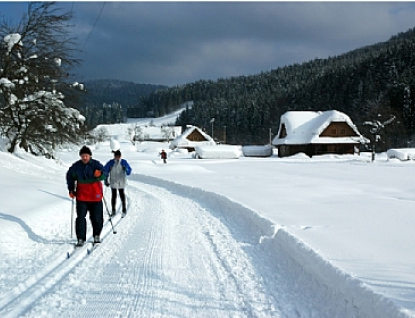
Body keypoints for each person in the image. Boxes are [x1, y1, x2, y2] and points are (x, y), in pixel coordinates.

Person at [66, 146, 106, 247]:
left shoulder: (96, 164)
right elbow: (69, 176)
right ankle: (80, 238)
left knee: (97, 217)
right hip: (82, 197)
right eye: (82, 156)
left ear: (90, 156)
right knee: (80, 218)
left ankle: (96, 235)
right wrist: (71, 189)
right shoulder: (76, 166)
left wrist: (100, 174)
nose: (84, 158)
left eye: (86, 156)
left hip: (95, 196)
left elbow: (105, 174)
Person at [104, 150, 132, 217]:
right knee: (114, 196)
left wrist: (126, 169)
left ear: (120, 156)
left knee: (122, 195)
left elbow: (129, 172)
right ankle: (113, 210)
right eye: (116, 156)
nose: (117, 158)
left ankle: (124, 209)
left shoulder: (123, 162)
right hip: (113, 181)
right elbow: (105, 171)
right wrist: (106, 180)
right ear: (114, 156)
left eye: (118, 156)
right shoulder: (111, 163)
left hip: (121, 182)